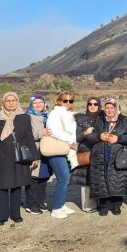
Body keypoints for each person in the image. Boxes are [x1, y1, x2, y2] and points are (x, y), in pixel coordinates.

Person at [0, 92, 39, 226]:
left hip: (17, 156)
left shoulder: (24, 118)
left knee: (16, 184)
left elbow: (29, 138)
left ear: (17, 101)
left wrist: (35, 157)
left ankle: (15, 214)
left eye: (13, 100)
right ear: (3, 102)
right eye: (8, 100)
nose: (11, 102)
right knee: (1, 186)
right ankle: (1, 217)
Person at [86, 98, 127, 216]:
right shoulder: (98, 120)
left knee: (118, 180)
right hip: (100, 155)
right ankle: (103, 205)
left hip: (118, 155)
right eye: (107, 107)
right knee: (101, 180)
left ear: (116, 108)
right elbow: (89, 136)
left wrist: (118, 138)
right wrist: (99, 136)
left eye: (112, 108)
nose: (109, 110)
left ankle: (116, 204)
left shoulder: (125, 121)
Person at [46, 91, 79, 219]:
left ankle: (61, 203)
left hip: (66, 149)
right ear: (59, 101)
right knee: (63, 178)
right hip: (57, 149)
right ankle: (56, 208)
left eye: (71, 101)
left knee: (66, 178)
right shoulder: (55, 113)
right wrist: (70, 141)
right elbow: (52, 130)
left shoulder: (69, 115)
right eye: (65, 100)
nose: (68, 103)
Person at [72, 96, 101, 213]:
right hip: (86, 151)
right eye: (90, 104)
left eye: (95, 104)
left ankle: (101, 203)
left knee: (100, 177)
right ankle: (88, 205)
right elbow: (75, 137)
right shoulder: (79, 118)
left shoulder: (103, 116)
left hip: (100, 151)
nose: (93, 106)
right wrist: (85, 132)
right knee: (86, 178)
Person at [24, 93, 52, 215]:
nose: (38, 105)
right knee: (33, 178)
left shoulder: (47, 116)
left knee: (44, 177)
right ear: (31, 105)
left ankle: (40, 201)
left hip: (47, 150)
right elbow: (25, 135)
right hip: (34, 150)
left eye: (40, 102)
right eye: (35, 103)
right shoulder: (27, 117)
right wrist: (42, 132)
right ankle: (31, 204)